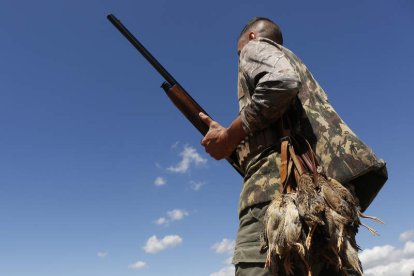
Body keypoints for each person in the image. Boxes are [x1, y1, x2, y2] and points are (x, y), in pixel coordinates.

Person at [199, 17, 387, 276]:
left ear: (252, 38)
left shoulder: (254, 48)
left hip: (276, 200)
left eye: (238, 52)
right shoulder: (301, 70)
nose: (240, 57)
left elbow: (281, 82)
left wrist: (229, 137)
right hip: (322, 199)